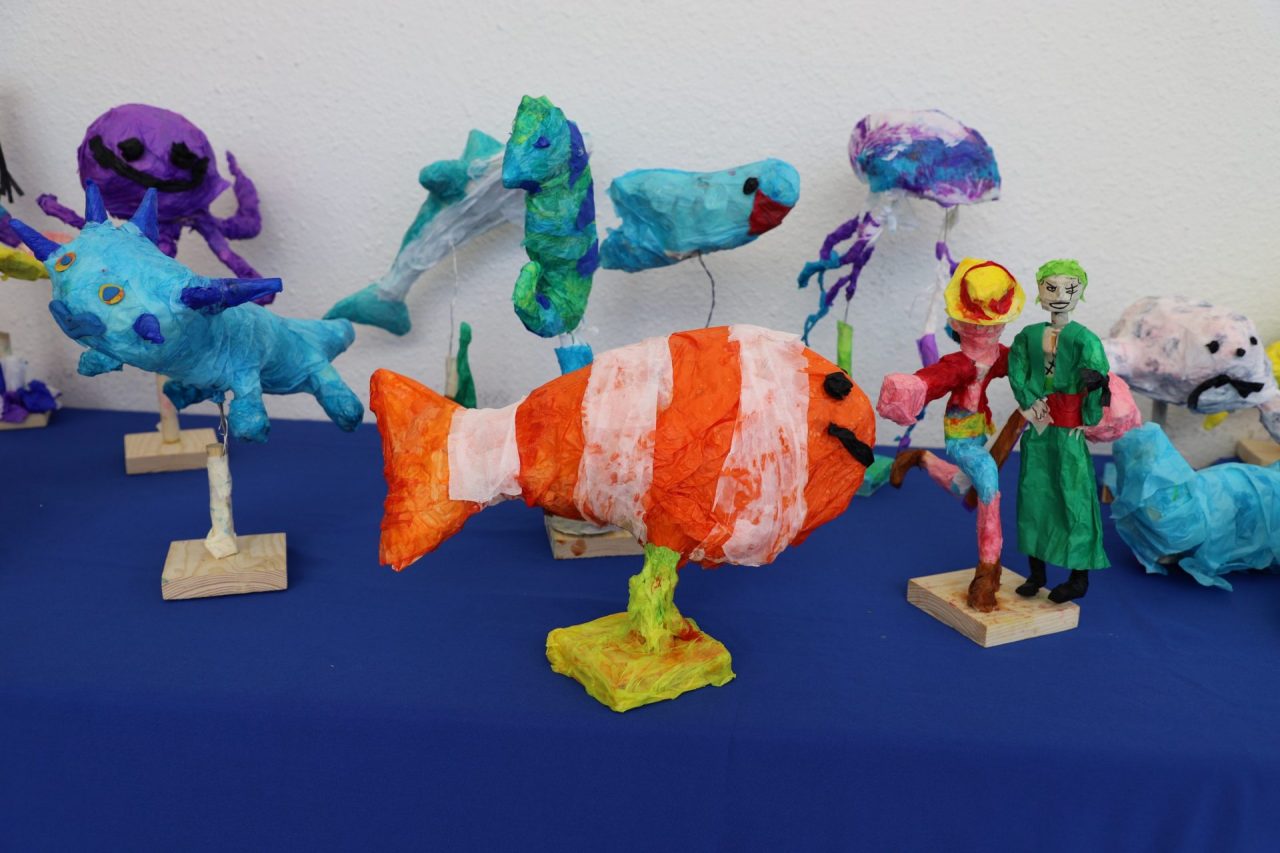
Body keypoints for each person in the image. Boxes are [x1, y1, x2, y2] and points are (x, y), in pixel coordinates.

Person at [877, 258, 1025, 612]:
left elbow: (1020, 363)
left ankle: (920, 459)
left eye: (994, 324)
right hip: (960, 435)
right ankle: (987, 571)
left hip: (981, 430)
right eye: (979, 324)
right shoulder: (959, 364)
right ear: (957, 323)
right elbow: (934, 379)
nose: (987, 331)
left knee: (965, 487)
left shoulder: (998, 356)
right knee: (987, 482)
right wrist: (912, 387)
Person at [1006, 259, 1110, 603]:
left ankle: (1079, 578)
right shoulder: (1028, 336)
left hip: (1068, 429)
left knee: (1074, 496)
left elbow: (1096, 378)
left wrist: (1089, 416)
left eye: (1070, 288)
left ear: (1081, 291)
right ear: (1039, 290)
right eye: (1051, 287)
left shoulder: (1085, 339)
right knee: (1034, 496)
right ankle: (1036, 573)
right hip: (1039, 428)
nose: (1060, 295)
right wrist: (1027, 397)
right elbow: (1017, 367)